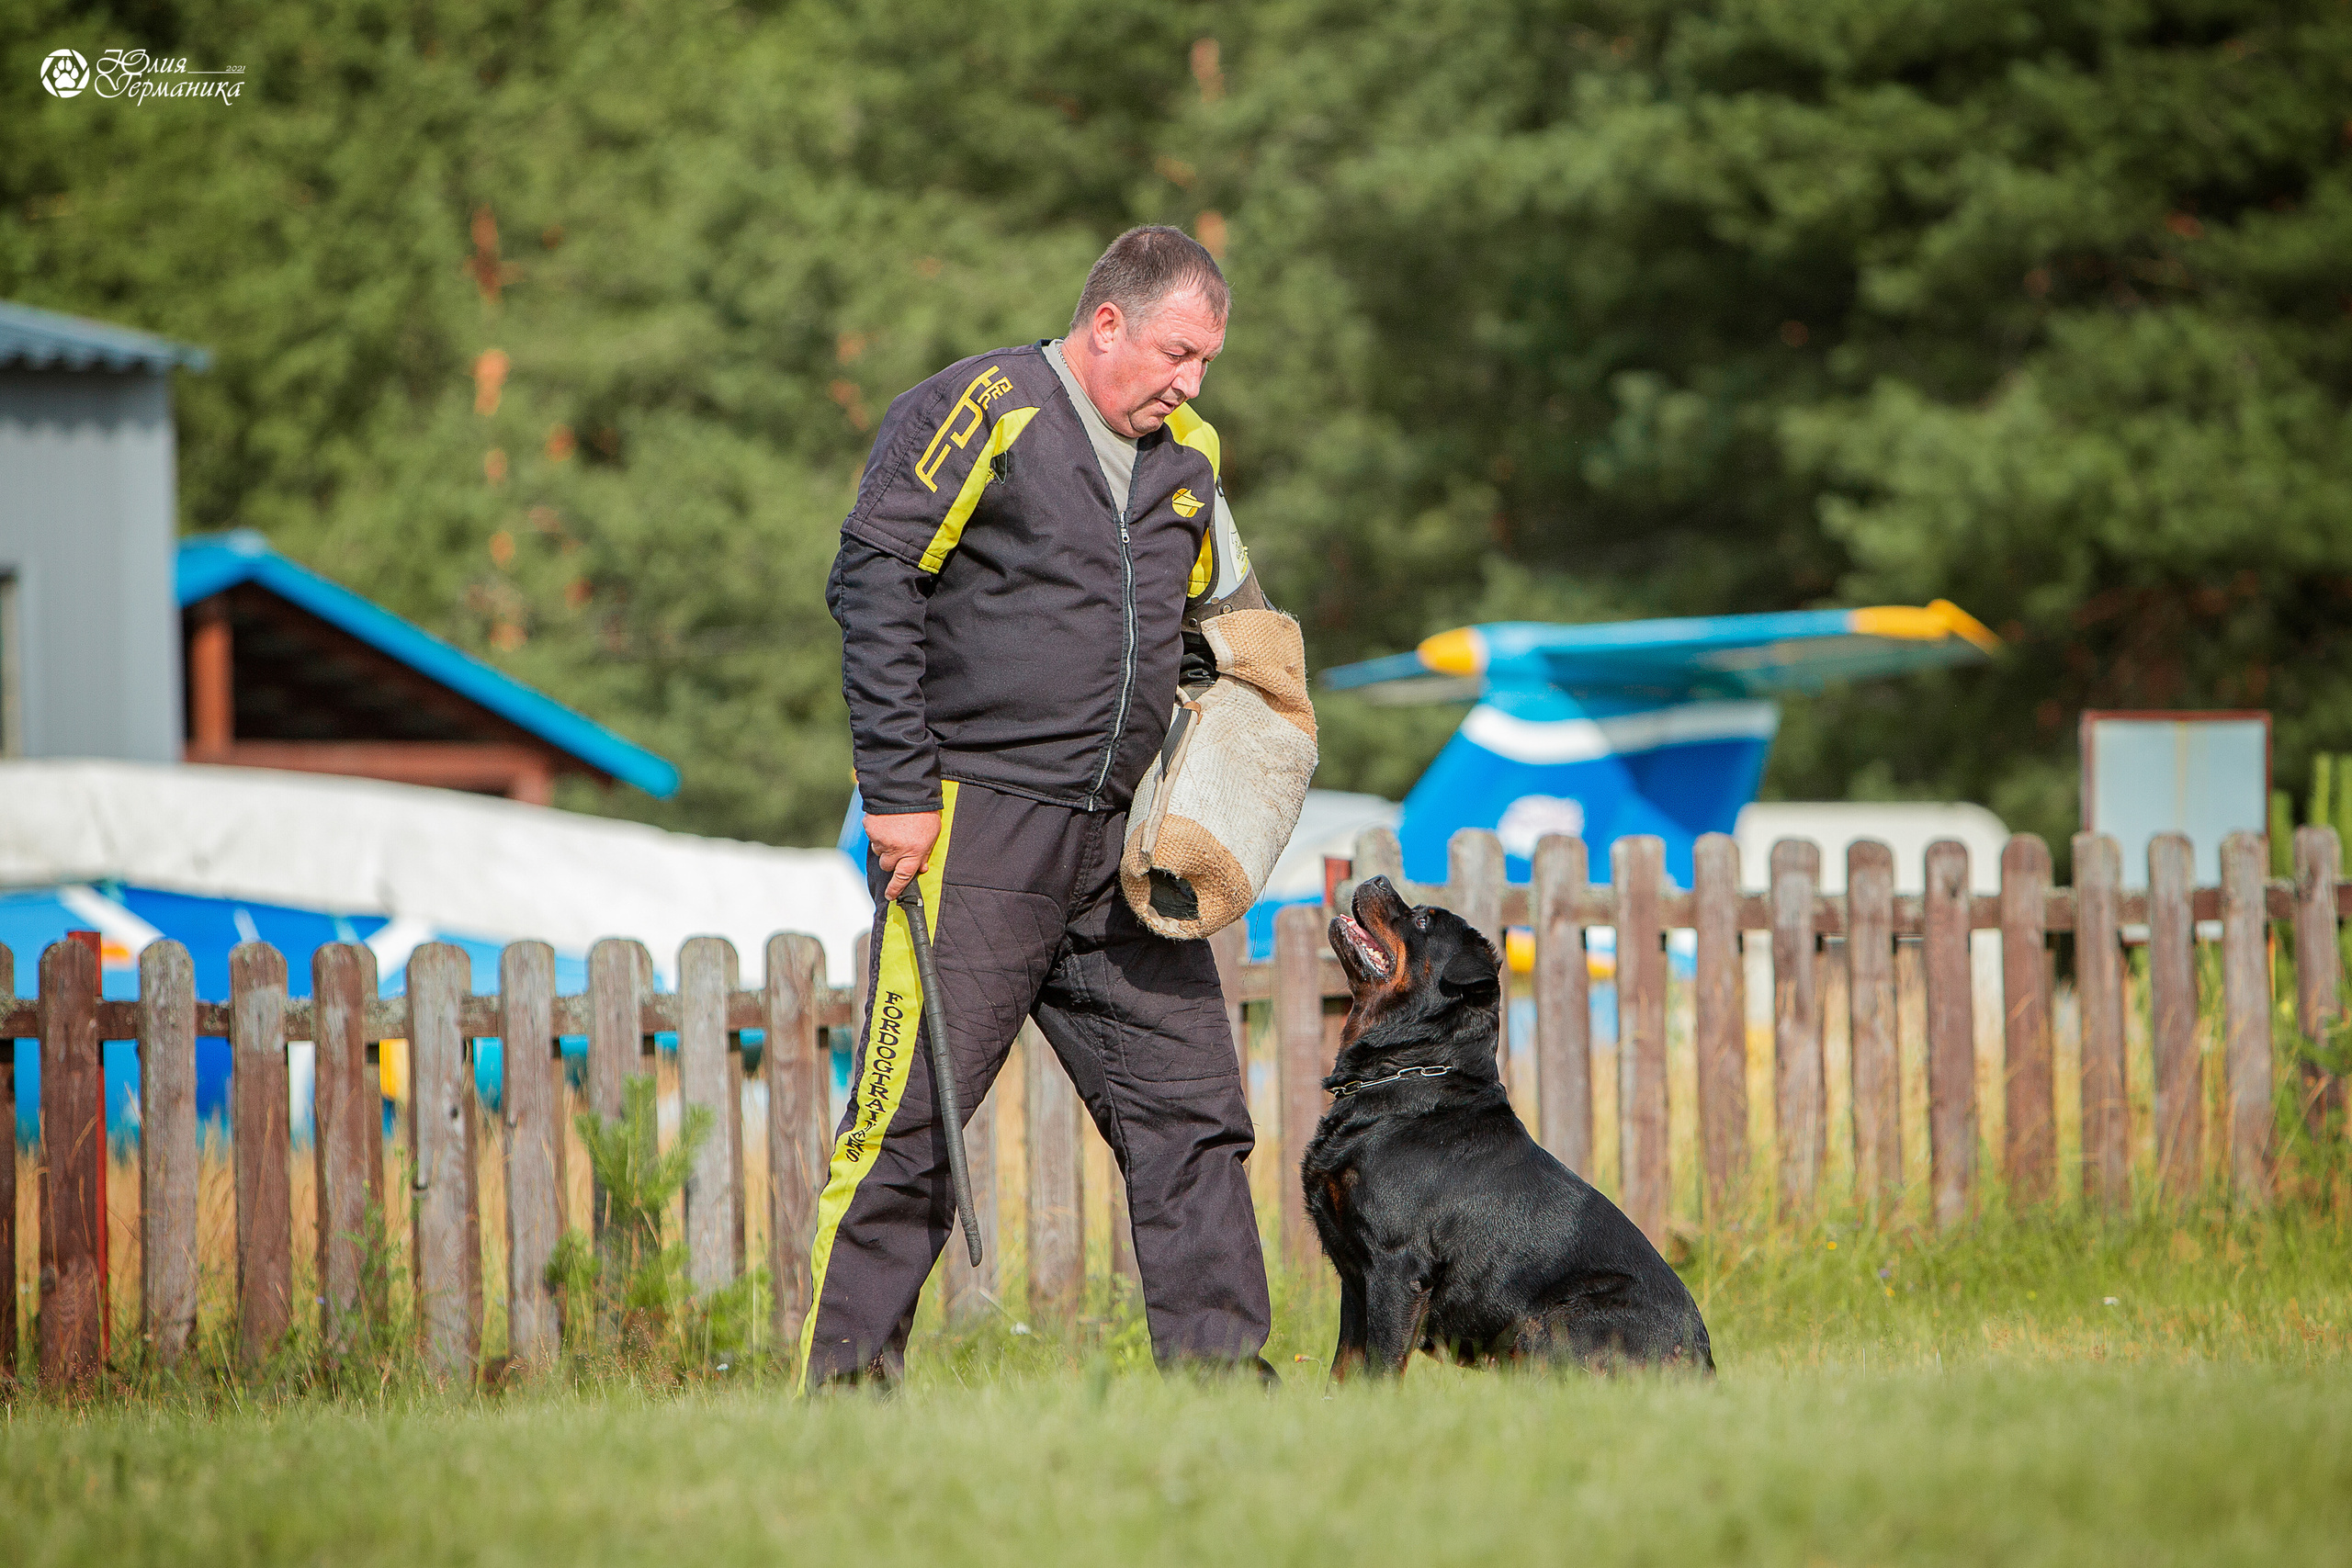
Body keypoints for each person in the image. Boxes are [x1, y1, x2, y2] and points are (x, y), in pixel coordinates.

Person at [805, 226, 1275, 1387]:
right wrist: (899, 795)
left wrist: (1260, 738)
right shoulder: (986, 408)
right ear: (1105, 323)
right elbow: (871, 576)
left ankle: (1224, 1393)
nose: (1190, 383)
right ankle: (841, 1396)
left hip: (1123, 854)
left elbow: (1240, 630)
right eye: (1177, 353)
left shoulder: (1190, 458)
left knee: (1195, 1118)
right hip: (974, 831)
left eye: (1206, 362)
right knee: (908, 1125)